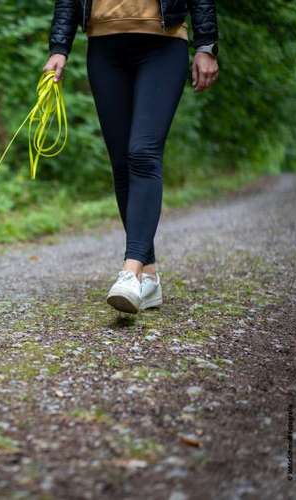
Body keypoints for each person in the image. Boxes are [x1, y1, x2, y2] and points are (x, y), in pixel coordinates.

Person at [44, 0, 219, 313]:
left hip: (162, 43)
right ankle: (147, 277)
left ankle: (129, 271)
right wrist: (59, 46)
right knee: (122, 163)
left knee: (143, 152)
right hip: (104, 45)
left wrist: (206, 43)